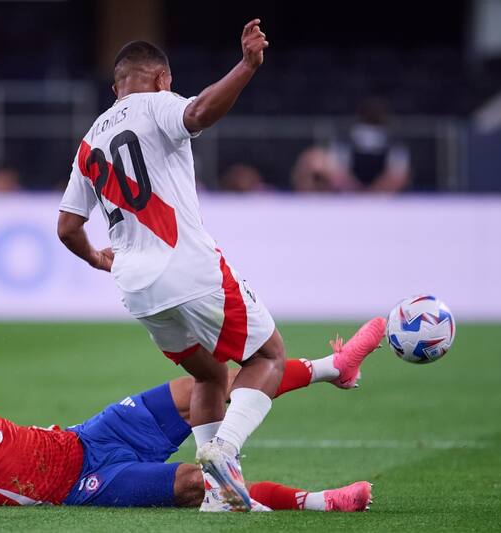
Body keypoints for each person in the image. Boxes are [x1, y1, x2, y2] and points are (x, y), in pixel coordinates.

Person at [57, 19, 387, 511]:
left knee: (211, 376)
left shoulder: (89, 142)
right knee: (267, 357)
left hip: (137, 289)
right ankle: (224, 451)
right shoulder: (157, 102)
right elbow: (199, 112)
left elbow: (67, 227)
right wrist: (247, 66)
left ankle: (216, 494)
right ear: (162, 78)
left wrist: (99, 258)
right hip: (186, 267)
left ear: (115, 88)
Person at [0, 264, 377, 512]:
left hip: (87, 437)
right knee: (199, 483)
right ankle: (322, 502)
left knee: (207, 381)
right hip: (82, 485)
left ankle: (335, 366)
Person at [292, 99, 410, 193]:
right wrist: (357, 191)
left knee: (317, 158)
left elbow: (398, 174)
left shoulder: (393, 142)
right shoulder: (347, 138)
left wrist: (373, 194)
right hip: (353, 192)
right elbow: (338, 171)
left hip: (377, 193)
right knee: (316, 158)